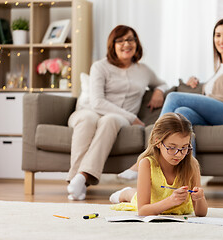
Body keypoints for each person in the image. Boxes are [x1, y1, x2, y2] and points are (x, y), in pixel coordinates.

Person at [118, 18, 223, 179]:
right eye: (217, 35)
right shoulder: (218, 69)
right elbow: (212, 94)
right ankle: (187, 177)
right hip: (216, 115)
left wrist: (213, 96)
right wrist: (199, 84)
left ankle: (148, 154)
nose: (221, 40)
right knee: (182, 113)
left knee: (174, 98)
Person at [66, 25, 168, 200]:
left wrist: (159, 91)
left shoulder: (143, 70)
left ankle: (81, 177)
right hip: (91, 111)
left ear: (136, 43)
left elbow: (163, 83)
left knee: (110, 120)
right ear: (112, 45)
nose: (126, 44)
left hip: (118, 119)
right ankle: (76, 181)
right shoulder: (100, 66)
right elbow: (96, 102)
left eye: (130, 39)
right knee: (87, 119)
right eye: (120, 41)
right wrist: (132, 117)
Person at [109, 113, 208, 216]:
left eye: (184, 147)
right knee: (134, 196)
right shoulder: (147, 164)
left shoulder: (192, 164)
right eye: (172, 147)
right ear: (158, 142)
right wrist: (171, 201)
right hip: (152, 205)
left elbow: (201, 213)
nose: (179, 154)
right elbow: (142, 211)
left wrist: (200, 198)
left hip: (177, 206)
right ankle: (125, 192)